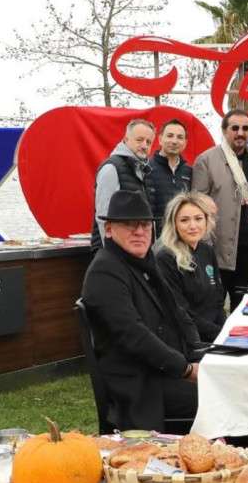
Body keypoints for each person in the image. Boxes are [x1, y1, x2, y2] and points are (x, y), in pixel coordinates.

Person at [81, 190, 202, 432]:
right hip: (141, 388)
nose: (139, 231)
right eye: (129, 225)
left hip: (161, 372)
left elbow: (177, 311)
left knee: (232, 383)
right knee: (224, 395)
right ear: (108, 229)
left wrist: (198, 351)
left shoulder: (144, 261)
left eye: (145, 225)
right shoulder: (105, 271)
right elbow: (134, 335)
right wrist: (185, 369)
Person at [192, 109, 248, 310]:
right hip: (218, 250)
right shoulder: (206, 160)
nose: (240, 133)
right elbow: (197, 207)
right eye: (235, 128)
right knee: (213, 307)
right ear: (224, 130)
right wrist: (205, 247)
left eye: (245, 128)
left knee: (242, 306)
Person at [154, 192, 226, 342]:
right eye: (184, 220)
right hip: (189, 341)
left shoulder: (207, 250)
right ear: (174, 224)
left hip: (216, 335)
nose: (193, 226)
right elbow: (181, 312)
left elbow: (218, 299)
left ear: (207, 221)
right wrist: (219, 334)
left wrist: (225, 330)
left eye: (198, 219)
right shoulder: (166, 258)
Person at [91, 119, 156, 251]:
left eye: (148, 142)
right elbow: (104, 216)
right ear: (126, 140)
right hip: (115, 252)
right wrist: (111, 253)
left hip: (137, 250)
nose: (144, 145)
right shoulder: (111, 168)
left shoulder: (145, 170)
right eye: (139, 140)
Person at [148, 119, 193, 237]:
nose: (174, 141)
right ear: (160, 139)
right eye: (170, 136)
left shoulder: (190, 172)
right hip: (155, 239)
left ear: (185, 142)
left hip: (182, 237)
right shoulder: (146, 168)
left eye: (180, 137)